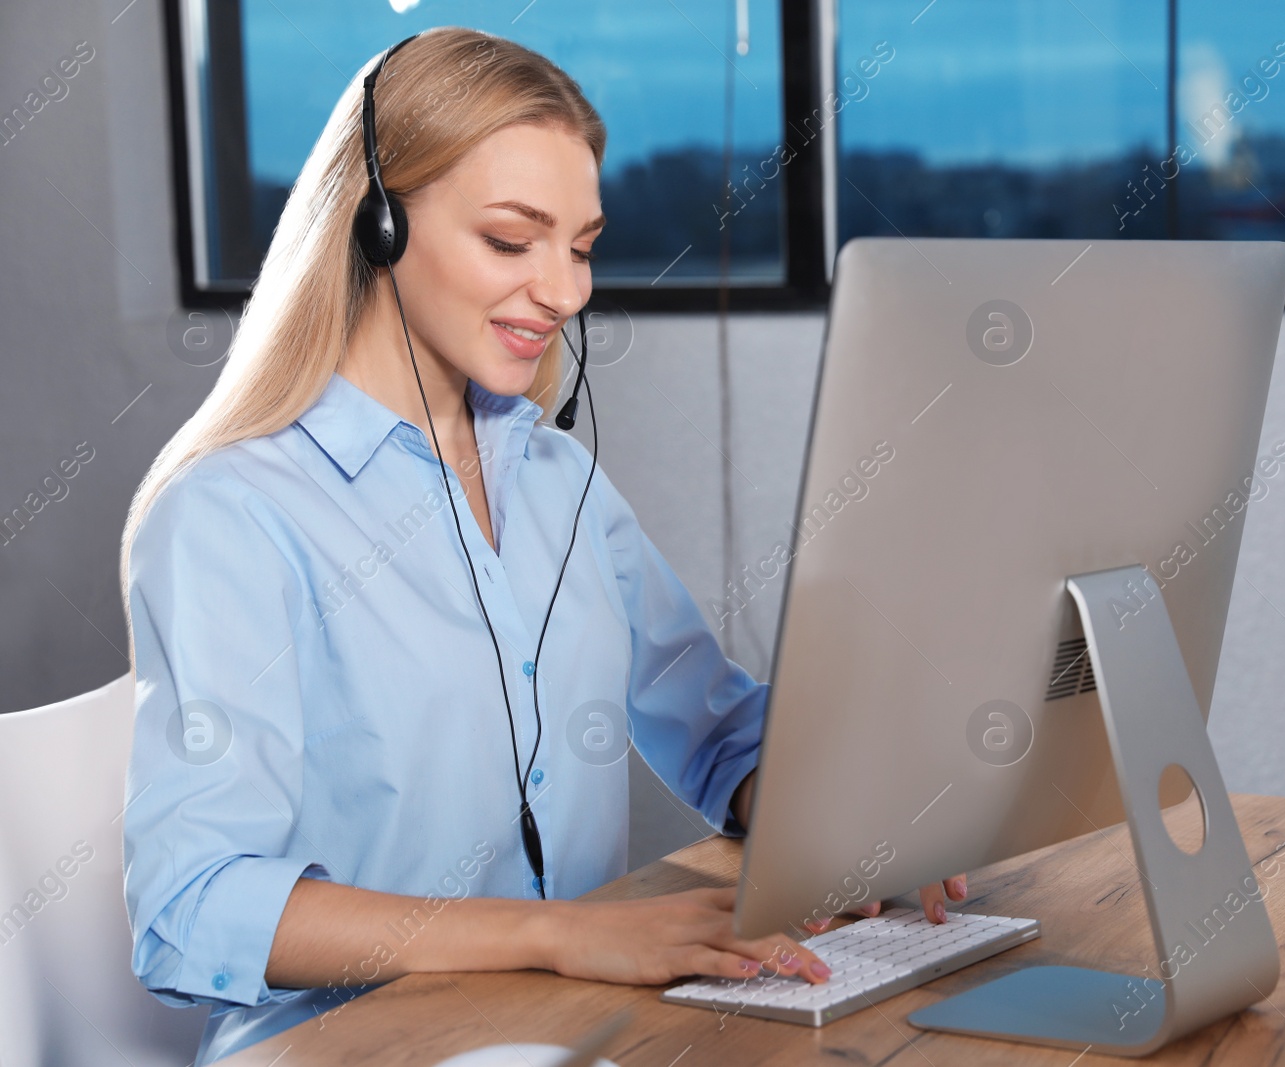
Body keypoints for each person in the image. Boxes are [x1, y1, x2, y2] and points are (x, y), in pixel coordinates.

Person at [119, 27, 965, 1064]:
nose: (566, 292)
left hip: (565, 1032)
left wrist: (855, 821)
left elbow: (715, 730)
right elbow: (191, 907)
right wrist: (556, 934)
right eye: (512, 242)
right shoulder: (234, 513)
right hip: (344, 1044)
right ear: (378, 225)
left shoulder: (557, 481)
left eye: (581, 244)